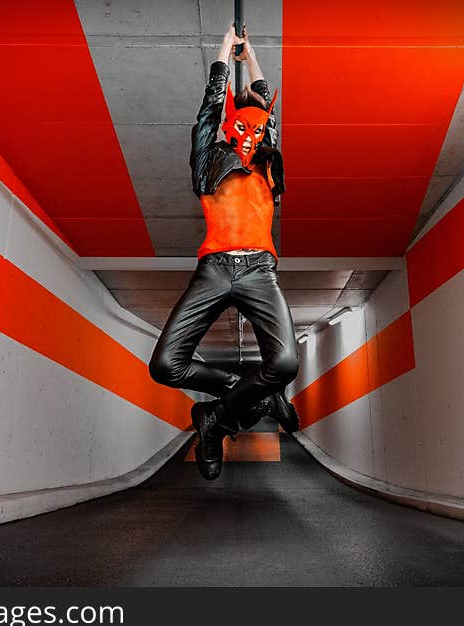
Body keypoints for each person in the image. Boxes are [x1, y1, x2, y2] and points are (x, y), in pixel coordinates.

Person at [149, 24, 299, 480]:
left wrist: (251, 55)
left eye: (258, 123)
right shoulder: (208, 161)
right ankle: (246, 395)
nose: (252, 128)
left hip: (259, 272)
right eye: (244, 123)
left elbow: (267, 106)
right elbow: (212, 104)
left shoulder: (269, 167)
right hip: (214, 269)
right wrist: (223, 51)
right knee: (165, 366)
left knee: (286, 364)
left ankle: (216, 418)